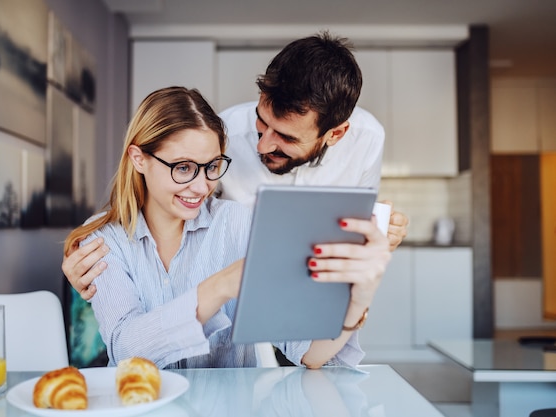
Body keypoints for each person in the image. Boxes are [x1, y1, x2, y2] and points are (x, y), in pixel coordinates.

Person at [64, 86, 391, 370]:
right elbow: (126, 352)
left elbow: (308, 352)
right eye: (183, 168)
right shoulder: (102, 238)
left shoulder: (239, 223)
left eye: (212, 167)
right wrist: (220, 286)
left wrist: (358, 300)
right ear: (139, 159)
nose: (200, 186)